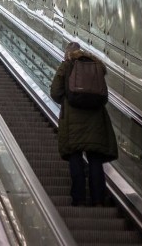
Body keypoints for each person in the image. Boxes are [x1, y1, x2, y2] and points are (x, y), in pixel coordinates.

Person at [50, 41, 118, 207]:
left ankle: (79, 199)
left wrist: (67, 97)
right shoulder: (96, 66)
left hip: (73, 121)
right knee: (95, 160)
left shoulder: (67, 66)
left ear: (67, 53)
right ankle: (98, 200)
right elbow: (104, 96)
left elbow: (55, 92)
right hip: (96, 120)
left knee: (75, 158)